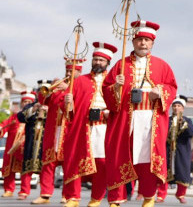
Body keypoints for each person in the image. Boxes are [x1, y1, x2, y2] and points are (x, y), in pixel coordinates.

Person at [102, 20, 178, 207]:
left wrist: (160, 91)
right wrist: (116, 87)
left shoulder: (163, 65)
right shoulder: (120, 64)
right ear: (133, 42)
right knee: (120, 155)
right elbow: (106, 90)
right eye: (139, 40)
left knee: (147, 158)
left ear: (152, 43)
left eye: (147, 40)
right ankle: (115, 199)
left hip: (151, 117)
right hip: (126, 118)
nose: (143, 43)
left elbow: (172, 87)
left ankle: (149, 197)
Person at [61, 42, 116, 207]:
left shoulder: (113, 82)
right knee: (76, 161)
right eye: (96, 59)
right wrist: (68, 103)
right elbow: (69, 112)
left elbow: (119, 106)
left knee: (101, 163)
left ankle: (96, 198)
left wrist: (109, 113)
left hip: (104, 127)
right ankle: (73, 198)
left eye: (102, 60)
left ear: (107, 63)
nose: (98, 62)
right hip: (83, 127)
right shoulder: (79, 81)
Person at [33, 60, 79, 204]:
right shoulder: (58, 87)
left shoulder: (80, 86)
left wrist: (67, 89)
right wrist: (49, 89)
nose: (69, 74)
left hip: (69, 131)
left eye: (72, 71)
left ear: (78, 72)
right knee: (48, 163)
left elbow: (80, 103)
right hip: (53, 131)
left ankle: (67, 194)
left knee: (69, 165)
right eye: (67, 71)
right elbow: (42, 99)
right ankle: (45, 194)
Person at [167, 96, 193, 204]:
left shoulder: (187, 120)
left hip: (182, 150)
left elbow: (192, 132)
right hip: (169, 150)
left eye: (179, 106)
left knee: (183, 171)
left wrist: (183, 123)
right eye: (174, 106)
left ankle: (180, 194)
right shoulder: (167, 119)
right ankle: (161, 194)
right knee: (165, 171)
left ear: (183, 108)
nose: (176, 108)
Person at [5, 94, 33, 199]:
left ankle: (24, 191)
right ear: (22, 103)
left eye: (29, 102)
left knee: (25, 169)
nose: (26, 103)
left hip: (26, 147)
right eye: (24, 102)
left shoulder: (35, 115)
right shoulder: (15, 116)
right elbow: (5, 124)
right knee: (10, 168)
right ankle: (9, 189)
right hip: (13, 147)